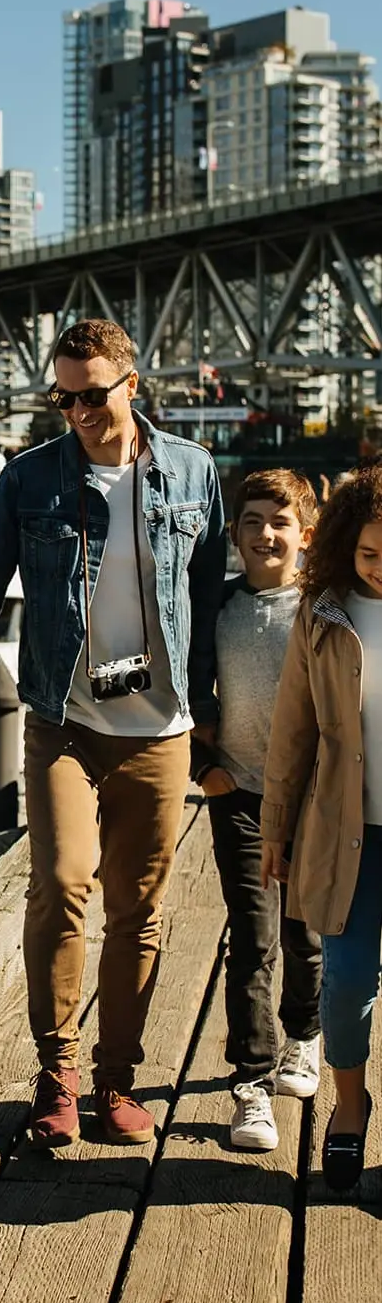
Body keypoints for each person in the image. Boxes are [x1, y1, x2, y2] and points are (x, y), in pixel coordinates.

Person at [0, 318, 226, 1148]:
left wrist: (225, 716)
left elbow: (212, 598)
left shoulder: (192, 473)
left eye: (93, 394)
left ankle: (116, 1081)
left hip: (159, 727)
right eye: (64, 396)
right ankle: (56, 1075)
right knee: (59, 883)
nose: (79, 410)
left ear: (132, 384)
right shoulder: (28, 480)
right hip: (65, 721)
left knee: (139, 910)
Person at [191, 471, 322, 1152]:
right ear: (233, 534)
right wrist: (202, 769)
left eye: (278, 521)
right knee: (252, 935)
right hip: (237, 792)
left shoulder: (322, 607)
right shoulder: (215, 607)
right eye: (249, 521)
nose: (264, 534)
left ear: (305, 533)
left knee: (305, 932)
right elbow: (185, 690)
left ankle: (303, 1034)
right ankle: (251, 1081)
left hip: (312, 798)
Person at [262, 466, 382, 1190]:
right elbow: (291, 731)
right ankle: (348, 1105)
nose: (381, 568)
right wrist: (274, 828)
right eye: (369, 555)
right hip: (347, 834)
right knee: (342, 982)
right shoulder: (322, 613)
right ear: (344, 548)